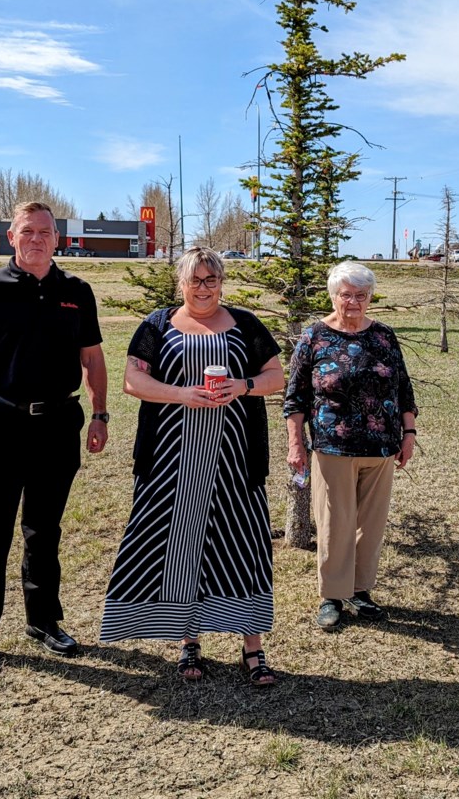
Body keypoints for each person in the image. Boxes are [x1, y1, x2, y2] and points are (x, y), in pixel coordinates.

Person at [100, 247, 284, 687]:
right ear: (180, 282)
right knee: (179, 547)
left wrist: (244, 386)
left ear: (222, 282)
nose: (204, 288)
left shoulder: (245, 324)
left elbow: (277, 376)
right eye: (195, 280)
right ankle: (188, 643)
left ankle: (253, 649)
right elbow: (133, 380)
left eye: (211, 279)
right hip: (170, 461)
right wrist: (181, 393)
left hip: (234, 460)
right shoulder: (157, 324)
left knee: (243, 546)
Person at [0, 201, 109, 677]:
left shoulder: (76, 291)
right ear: (10, 238)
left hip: (60, 425)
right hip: (1, 424)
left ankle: (43, 621)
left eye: (45, 232)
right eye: (27, 231)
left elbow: (93, 358)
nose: (36, 238)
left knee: (44, 531)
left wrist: (99, 414)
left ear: (58, 240)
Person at [284, 261, 418, 631]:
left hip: (381, 448)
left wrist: (408, 434)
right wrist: (297, 444)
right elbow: (294, 398)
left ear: (370, 297)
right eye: (347, 295)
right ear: (334, 296)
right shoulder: (314, 337)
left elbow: (403, 388)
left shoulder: (384, 336)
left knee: (370, 524)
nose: (354, 302)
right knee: (334, 523)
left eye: (361, 295)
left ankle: (360, 591)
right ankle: (331, 595)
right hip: (332, 446)